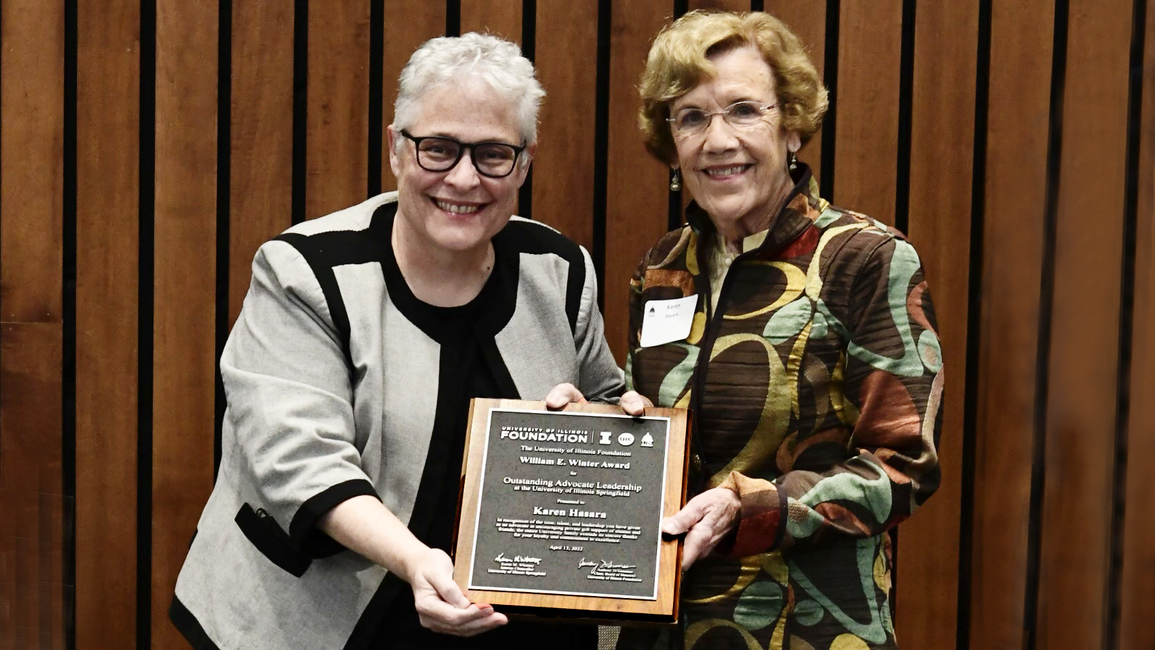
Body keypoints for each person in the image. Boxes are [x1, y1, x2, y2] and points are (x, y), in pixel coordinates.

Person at [169, 33, 623, 650]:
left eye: (493, 154)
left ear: (524, 161)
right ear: (396, 149)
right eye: (437, 149)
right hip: (318, 624)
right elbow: (300, 463)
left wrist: (604, 423)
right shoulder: (306, 271)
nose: (463, 179)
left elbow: (609, 404)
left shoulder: (559, 268)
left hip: (507, 621)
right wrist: (416, 562)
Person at [577, 10, 943, 650]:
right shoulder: (663, 268)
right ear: (671, 142)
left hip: (807, 625)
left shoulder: (863, 258)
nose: (717, 140)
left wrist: (757, 507)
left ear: (794, 126)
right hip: (662, 623)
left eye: (744, 110)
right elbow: (656, 434)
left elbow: (903, 466)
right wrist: (596, 432)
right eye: (691, 116)